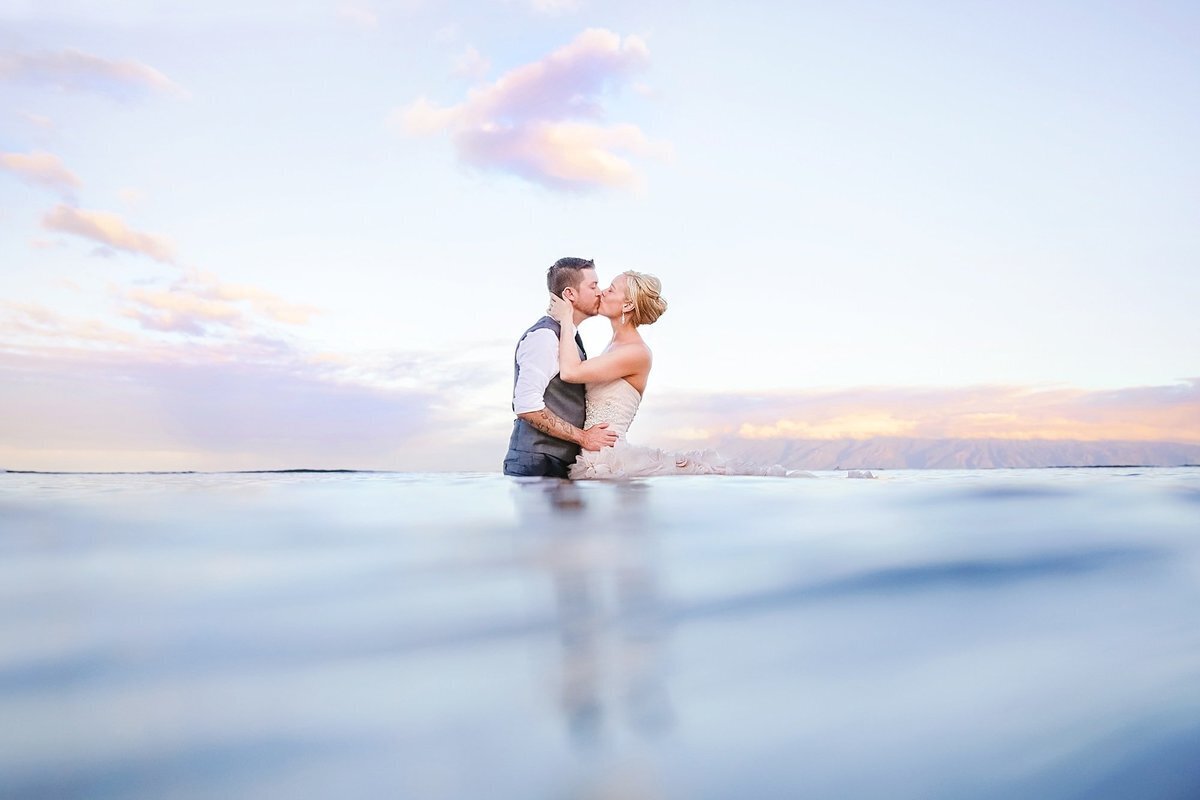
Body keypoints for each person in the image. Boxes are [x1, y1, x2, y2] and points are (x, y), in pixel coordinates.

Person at [548, 271, 815, 479]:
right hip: (594, 455)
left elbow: (571, 372)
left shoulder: (636, 352)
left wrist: (566, 317)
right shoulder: (614, 346)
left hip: (610, 461)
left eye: (611, 289)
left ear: (627, 305)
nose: (602, 293)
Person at [503, 258, 619, 478]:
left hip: (555, 463)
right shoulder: (545, 337)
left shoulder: (568, 336)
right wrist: (584, 438)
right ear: (570, 294)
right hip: (536, 463)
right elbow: (527, 407)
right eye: (593, 286)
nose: (599, 292)